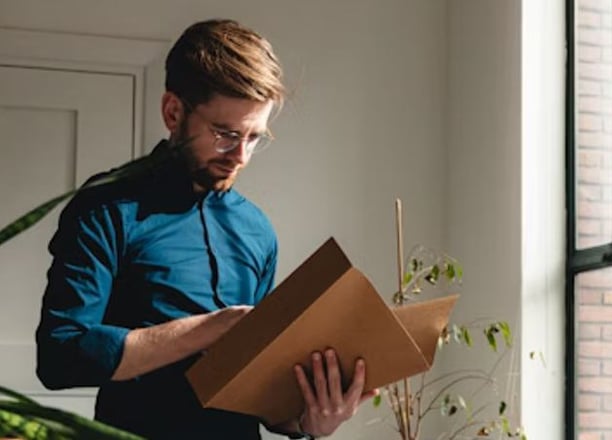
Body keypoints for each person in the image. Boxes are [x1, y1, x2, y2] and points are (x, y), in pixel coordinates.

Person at [35, 19, 377, 439]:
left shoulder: (257, 230)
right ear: (173, 112)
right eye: (225, 134)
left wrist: (310, 422)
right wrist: (210, 330)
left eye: (255, 137)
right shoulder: (106, 207)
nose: (240, 156)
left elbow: (259, 395)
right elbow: (60, 354)